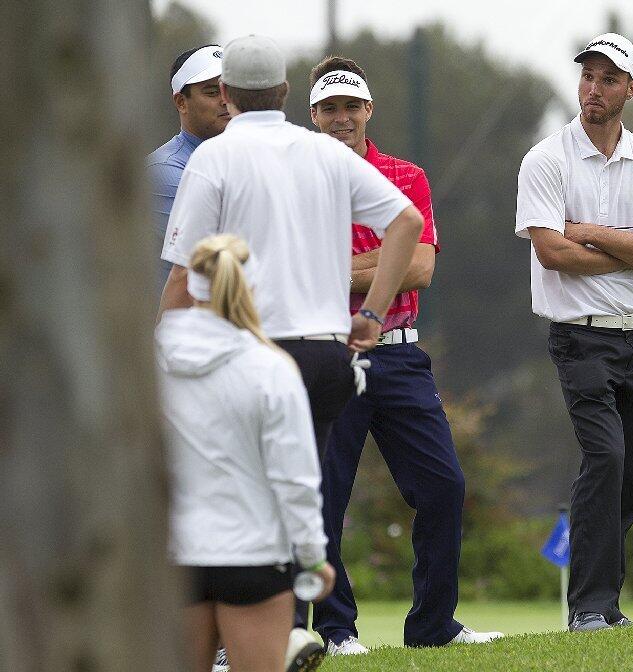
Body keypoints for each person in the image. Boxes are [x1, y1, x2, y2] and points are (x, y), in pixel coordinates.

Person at [305, 56, 501, 652]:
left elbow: (419, 267)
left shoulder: (403, 175)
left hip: (398, 353)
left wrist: (334, 272)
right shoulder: (301, 179)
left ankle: (434, 626)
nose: (342, 118)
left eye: (351, 107)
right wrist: (381, 264)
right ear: (313, 114)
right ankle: (337, 630)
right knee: (325, 499)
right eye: (330, 108)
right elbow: (388, 262)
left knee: (444, 486)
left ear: (369, 110)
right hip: (325, 353)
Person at [159, 35, 424, 460]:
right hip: (328, 357)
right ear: (283, 91)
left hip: (257, 353)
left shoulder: (213, 158)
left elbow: (182, 275)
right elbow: (407, 222)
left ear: (226, 94)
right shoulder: (325, 152)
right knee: (305, 501)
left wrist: (160, 357)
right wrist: (372, 315)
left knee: (252, 499)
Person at [515, 33, 633, 631]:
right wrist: (631, 253)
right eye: (588, 75)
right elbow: (553, 252)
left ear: (630, 89)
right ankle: (586, 607)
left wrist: (593, 233)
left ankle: (604, 604)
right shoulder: (545, 160)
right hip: (578, 337)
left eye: (609, 79)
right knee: (604, 456)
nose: (594, 87)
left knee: (631, 479)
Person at [156, 234, 336, 672]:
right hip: (253, 553)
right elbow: (295, 476)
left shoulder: (148, 360)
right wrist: (313, 555)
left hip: (174, 555)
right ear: (252, 288)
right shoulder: (270, 367)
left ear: (187, 283)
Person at [147, 44, 229, 288]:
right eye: (212, 92)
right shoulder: (164, 170)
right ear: (181, 102)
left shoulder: (247, 157)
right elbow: (217, 262)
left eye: (231, 90)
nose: (226, 101)